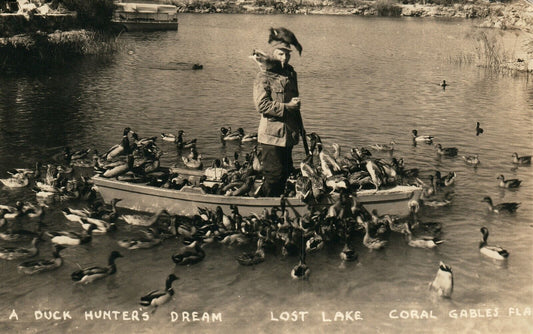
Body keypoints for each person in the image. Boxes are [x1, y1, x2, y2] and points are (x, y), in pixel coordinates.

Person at [253, 38, 302, 197]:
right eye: (280, 54)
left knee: (286, 172)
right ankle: (265, 209)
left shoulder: (290, 74)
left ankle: (277, 206)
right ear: (272, 56)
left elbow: (294, 103)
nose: (285, 58)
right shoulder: (264, 76)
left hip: (287, 135)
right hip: (271, 136)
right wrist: (288, 107)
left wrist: (299, 128)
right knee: (274, 176)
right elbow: (262, 105)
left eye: (287, 55)